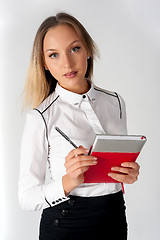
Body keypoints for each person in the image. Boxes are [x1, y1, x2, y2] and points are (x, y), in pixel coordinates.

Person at [18, 12, 140, 240]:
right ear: (44, 64)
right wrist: (68, 181)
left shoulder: (115, 102)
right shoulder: (41, 117)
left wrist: (128, 175)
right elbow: (26, 198)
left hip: (113, 217)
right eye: (53, 55)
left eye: (74, 49)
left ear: (88, 50)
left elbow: (117, 170)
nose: (66, 63)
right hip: (66, 222)